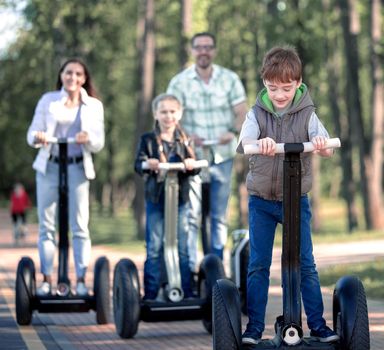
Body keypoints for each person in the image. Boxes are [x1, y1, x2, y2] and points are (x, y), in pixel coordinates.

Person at [236, 46, 340, 345]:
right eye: (272, 87)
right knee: (258, 263)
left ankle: (318, 326)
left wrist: (321, 143)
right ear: (264, 84)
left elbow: (328, 146)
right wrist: (261, 141)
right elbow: (246, 141)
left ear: (298, 82)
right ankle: (254, 328)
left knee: (304, 263)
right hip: (261, 201)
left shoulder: (307, 113)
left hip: (296, 200)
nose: (279, 94)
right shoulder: (256, 113)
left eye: (286, 87)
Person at [167, 32, 248, 272]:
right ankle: (191, 269)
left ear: (214, 50)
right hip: (192, 158)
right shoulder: (179, 82)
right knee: (192, 216)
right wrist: (186, 138)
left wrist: (233, 132)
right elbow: (169, 115)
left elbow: (242, 112)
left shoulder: (229, 79)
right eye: (199, 47)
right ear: (193, 51)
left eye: (208, 47)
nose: (204, 51)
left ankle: (216, 270)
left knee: (218, 216)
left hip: (222, 155)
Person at [26, 58, 104, 297]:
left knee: (79, 226)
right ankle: (48, 280)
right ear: (61, 75)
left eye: (78, 74)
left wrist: (87, 138)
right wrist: (38, 137)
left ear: (84, 78)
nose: (73, 77)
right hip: (49, 166)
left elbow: (99, 142)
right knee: (47, 226)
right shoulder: (48, 100)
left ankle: (80, 280)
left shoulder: (93, 105)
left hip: (78, 168)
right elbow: (32, 134)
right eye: (69, 72)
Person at [134, 93, 199, 300]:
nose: (168, 116)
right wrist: (148, 163)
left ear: (179, 114)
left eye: (172, 112)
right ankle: (151, 294)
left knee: (182, 247)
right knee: (154, 246)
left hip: (180, 199)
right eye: (163, 112)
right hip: (156, 198)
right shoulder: (148, 140)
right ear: (156, 114)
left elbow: (195, 166)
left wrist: (190, 164)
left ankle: (186, 292)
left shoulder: (185, 139)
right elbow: (138, 164)